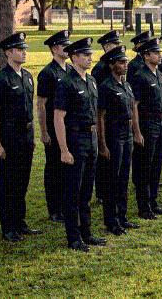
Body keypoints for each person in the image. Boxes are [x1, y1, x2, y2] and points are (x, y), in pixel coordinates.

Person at [54, 37, 107, 252]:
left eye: (90, 55)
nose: (90, 58)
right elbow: (59, 117)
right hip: (75, 140)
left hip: (91, 139)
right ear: (74, 57)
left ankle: (86, 232)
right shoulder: (66, 83)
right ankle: (73, 237)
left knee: (86, 191)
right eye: (85, 55)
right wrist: (64, 149)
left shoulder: (91, 80)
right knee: (73, 192)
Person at [0, 32, 41, 242]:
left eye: (24, 49)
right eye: (20, 49)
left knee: (23, 180)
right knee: (8, 182)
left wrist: (33, 136)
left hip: (26, 135)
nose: (24, 52)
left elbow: (30, 109)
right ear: (8, 53)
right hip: (10, 137)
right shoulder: (0, 80)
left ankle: (20, 221)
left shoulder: (27, 76)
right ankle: (8, 227)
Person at [96, 46, 142, 235]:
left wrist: (136, 132)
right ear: (111, 65)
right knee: (112, 179)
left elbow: (133, 109)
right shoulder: (106, 87)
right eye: (121, 62)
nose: (125, 65)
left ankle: (122, 216)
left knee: (123, 177)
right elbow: (100, 116)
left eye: (126, 62)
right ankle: (111, 220)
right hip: (113, 134)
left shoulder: (126, 85)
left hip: (127, 133)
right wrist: (102, 144)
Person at [129, 38, 162, 220]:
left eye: (159, 52)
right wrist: (137, 131)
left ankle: (153, 202)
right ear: (146, 55)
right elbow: (135, 105)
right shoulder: (140, 76)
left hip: (159, 123)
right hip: (147, 124)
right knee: (144, 167)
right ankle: (144, 206)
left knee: (156, 165)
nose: (159, 55)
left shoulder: (159, 74)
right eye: (155, 53)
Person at [36, 30, 71, 223]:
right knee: (54, 169)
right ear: (55, 49)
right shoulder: (48, 73)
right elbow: (41, 104)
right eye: (64, 46)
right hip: (53, 126)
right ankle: (55, 209)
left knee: (67, 168)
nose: (68, 49)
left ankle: (66, 205)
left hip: (69, 127)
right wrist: (44, 132)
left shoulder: (70, 70)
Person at [91, 30, 123, 205]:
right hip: (106, 118)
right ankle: (102, 192)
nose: (118, 46)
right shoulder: (100, 69)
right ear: (107, 46)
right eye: (115, 44)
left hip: (117, 117)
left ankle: (112, 188)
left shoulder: (116, 65)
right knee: (105, 157)